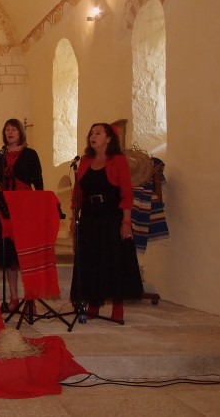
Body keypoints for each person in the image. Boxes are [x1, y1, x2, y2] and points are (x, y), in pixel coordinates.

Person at [69, 123, 143, 322]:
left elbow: (126, 192)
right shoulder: (85, 161)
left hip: (111, 215)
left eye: (98, 133)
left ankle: (117, 306)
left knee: (113, 261)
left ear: (108, 139)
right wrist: (74, 217)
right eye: (91, 133)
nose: (93, 136)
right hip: (89, 216)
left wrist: (126, 221)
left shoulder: (118, 160)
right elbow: (78, 192)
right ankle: (94, 302)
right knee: (91, 260)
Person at [0, 119, 43, 312]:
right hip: (4, 208)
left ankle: (31, 298)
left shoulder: (31, 154)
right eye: (7, 130)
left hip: (25, 207)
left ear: (20, 133)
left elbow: (39, 183)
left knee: (25, 255)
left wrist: (38, 210)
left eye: (14, 130)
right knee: (9, 256)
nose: (10, 133)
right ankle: (14, 297)